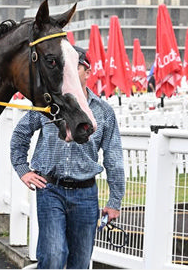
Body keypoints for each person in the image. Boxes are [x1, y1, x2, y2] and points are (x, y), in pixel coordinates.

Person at [10, 46, 125, 269]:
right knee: (53, 255)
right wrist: (23, 169)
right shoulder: (48, 106)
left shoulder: (103, 112)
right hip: (50, 190)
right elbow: (20, 134)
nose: (69, 71)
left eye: (76, 66)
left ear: (88, 71)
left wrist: (115, 201)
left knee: (80, 263)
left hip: (86, 195)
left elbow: (114, 157)